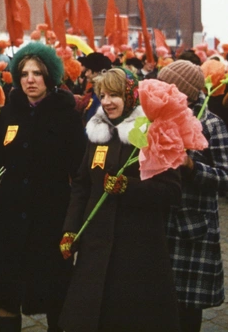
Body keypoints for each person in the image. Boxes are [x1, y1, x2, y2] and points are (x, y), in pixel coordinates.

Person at [0, 42, 86, 332]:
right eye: (25, 73)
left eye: (38, 73)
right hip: (11, 212)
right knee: (6, 290)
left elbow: (79, 170)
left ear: (50, 77)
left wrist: (76, 220)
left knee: (55, 291)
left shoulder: (66, 114)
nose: (30, 79)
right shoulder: (11, 110)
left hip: (50, 214)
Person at [58, 67, 182, 332]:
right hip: (96, 245)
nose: (106, 102)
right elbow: (81, 185)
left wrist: (129, 187)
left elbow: (171, 191)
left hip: (137, 249)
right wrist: (71, 230)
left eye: (114, 95)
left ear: (130, 96)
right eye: (102, 95)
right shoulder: (97, 133)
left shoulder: (151, 132)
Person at [157, 61, 228, 332]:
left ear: (186, 91)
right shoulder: (155, 118)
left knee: (187, 313)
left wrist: (192, 167)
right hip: (157, 227)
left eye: (169, 86)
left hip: (192, 231)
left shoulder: (212, 124)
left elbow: (226, 177)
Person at [76, 52, 112, 124]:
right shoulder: (94, 91)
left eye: (88, 70)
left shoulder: (102, 95)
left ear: (97, 71)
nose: (86, 74)